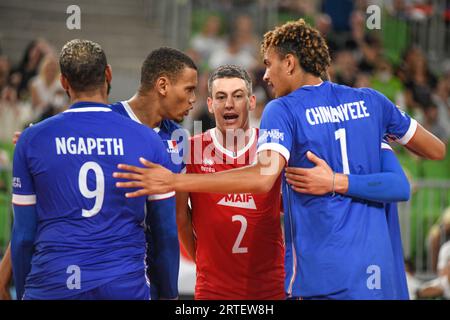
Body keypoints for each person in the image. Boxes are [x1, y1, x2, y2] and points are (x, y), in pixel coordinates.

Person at [114, 19, 446, 299]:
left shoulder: (283, 111)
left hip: (322, 279)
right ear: (211, 104)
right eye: (220, 97)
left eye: (270, 64)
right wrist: (346, 177)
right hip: (381, 278)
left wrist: (173, 180)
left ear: (289, 63)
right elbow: (435, 152)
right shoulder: (372, 103)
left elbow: (262, 177)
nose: (267, 76)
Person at [0, 47, 198, 300]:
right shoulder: (103, 118)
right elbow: (45, 205)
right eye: (190, 89)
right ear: (162, 85)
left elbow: (176, 218)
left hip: (144, 271)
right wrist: (4, 275)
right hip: (109, 269)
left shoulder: (179, 140)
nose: (194, 99)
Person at [178, 65, 284, 299]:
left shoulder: (272, 148)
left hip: (269, 287)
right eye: (221, 97)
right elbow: (180, 217)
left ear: (252, 102)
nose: (229, 104)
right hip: (212, 288)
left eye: (238, 96)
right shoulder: (191, 150)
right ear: (209, 104)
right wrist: (203, 261)